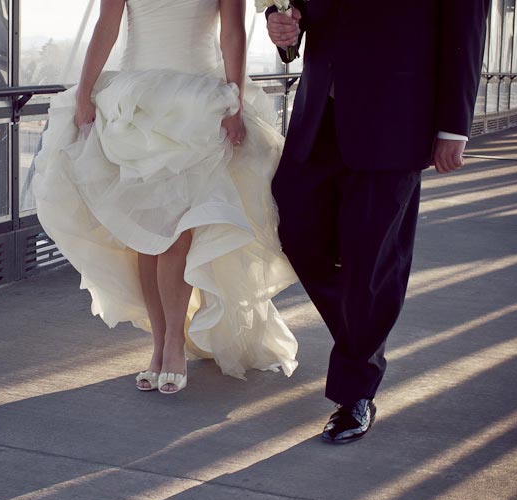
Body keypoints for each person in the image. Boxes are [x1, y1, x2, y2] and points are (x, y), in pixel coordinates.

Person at [32, 0, 299, 395]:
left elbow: (232, 33)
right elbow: (107, 25)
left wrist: (235, 101)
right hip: (135, 107)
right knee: (145, 236)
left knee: (175, 231)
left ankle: (174, 341)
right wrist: (85, 92)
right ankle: (158, 344)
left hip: (197, 105)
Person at [266, 1, 489, 442]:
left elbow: (465, 34)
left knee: (371, 261)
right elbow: (303, 11)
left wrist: (453, 129)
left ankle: (356, 393)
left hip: (395, 122)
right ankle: (361, 336)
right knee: (296, 232)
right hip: (318, 117)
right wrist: (283, 27)